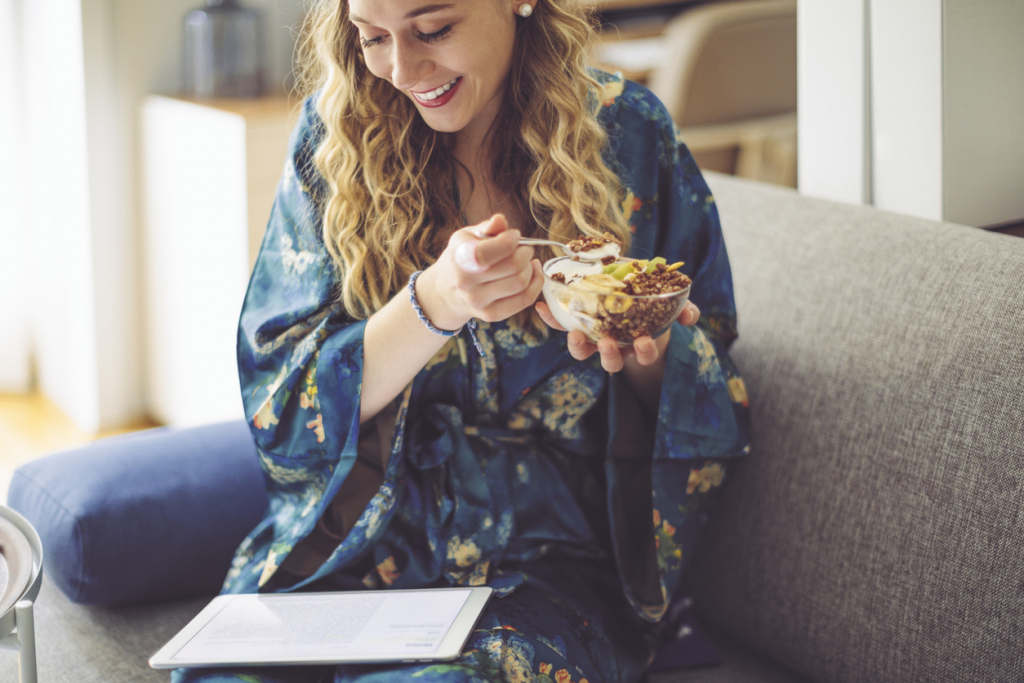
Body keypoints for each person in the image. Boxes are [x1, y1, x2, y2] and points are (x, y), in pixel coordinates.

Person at [174, 1, 749, 681]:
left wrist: (644, 350)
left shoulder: (630, 137)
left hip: (542, 576)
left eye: (434, 29)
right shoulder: (333, 144)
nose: (402, 69)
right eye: (373, 38)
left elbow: (717, 401)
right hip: (359, 555)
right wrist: (432, 304)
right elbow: (283, 414)